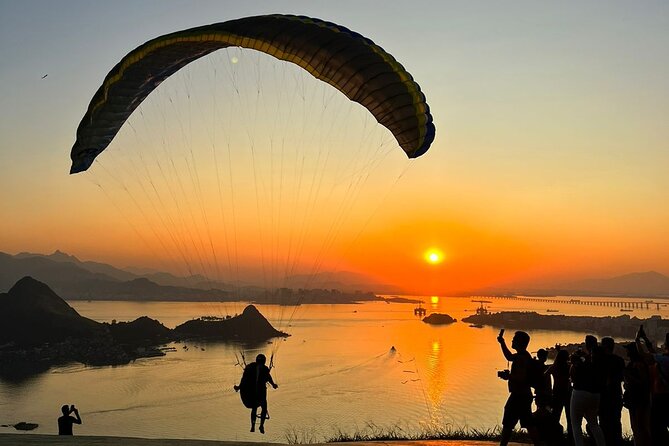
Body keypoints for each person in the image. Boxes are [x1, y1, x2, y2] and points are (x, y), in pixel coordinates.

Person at [496, 330, 539, 446]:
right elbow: (509, 357)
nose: (512, 341)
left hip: (519, 396)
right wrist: (502, 343)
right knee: (528, 423)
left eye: (514, 339)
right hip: (523, 395)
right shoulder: (522, 355)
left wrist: (508, 376)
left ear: (519, 342)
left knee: (508, 423)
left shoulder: (521, 358)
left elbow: (521, 377)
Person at [569, 335, 605, 446]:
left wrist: (575, 363)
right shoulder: (601, 361)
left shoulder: (584, 360)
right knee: (594, 424)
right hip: (595, 394)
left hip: (580, 392)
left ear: (587, 344)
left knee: (576, 424)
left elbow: (573, 376)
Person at [635, 328, 669, 446]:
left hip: (661, 398)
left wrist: (637, 341)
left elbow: (644, 355)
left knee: (656, 428)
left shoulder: (665, 360)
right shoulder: (664, 359)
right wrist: (645, 339)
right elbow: (653, 352)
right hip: (664, 397)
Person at [234, 353, 278, 434]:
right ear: (264, 361)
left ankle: (253, 426)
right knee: (264, 408)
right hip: (261, 392)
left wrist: (238, 387)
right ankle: (261, 425)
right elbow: (268, 377)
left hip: (252, 392)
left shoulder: (250, 368)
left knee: (254, 408)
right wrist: (273, 385)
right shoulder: (264, 369)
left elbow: (243, 380)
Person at [623, 341, 652, 446]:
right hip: (633, 399)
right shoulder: (633, 364)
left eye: (627, 350)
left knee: (640, 427)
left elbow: (644, 382)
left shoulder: (639, 365)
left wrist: (628, 377)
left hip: (639, 400)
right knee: (636, 427)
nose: (626, 352)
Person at [600, 336, 625, 446]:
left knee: (604, 422)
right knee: (616, 422)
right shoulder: (619, 360)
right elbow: (622, 377)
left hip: (604, 396)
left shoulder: (600, 360)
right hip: (616, 395)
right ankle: (617, 441)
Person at [547, 348, 572, 442]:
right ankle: (571, 437)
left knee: (555, 416)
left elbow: (545, 375)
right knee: (569, 417)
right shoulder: (569, 366)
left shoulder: (554, 367)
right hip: (568, 393)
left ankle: (554, 436)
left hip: (557, 393)